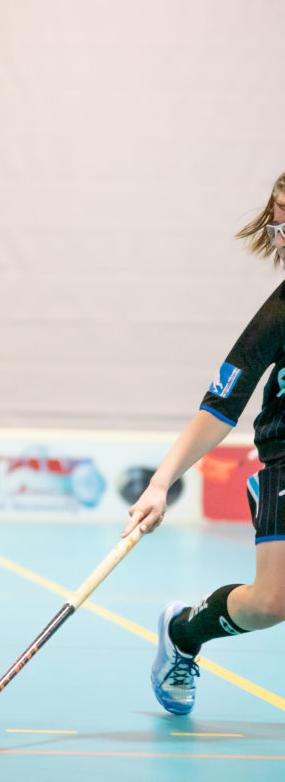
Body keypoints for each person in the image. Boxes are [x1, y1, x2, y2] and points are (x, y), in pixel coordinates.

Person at [129, 171, 285, 716]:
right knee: (271, 604)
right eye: (279, 221)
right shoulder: (280, 313)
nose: (283, 235)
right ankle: (182, 632)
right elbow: (222, 402)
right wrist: (160, 481)